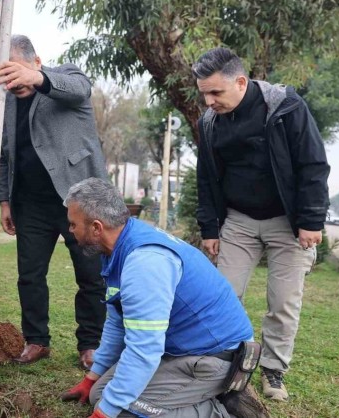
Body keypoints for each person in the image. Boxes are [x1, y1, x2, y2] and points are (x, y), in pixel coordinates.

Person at [192, 47, 330, 401]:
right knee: (221, 295)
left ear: (241, 81)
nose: (208, 101)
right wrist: (210, 229)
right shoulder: (210, 123)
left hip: (288, 221)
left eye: (215, 93)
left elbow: (312, 165)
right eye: (204, 93)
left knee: (283, 302)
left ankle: (273, 370)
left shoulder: (285, 107)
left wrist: (311, 220)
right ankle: (223, 362)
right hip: (238, 220)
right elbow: (206, 179)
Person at [60, 178, 257, 418]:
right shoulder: (118, 247)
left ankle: (223, 411)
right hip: (183, 351)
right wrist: (92, 378)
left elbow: (144, 350)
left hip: (215, 358)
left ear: (96, 227)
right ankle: (200, 396)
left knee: (121, 412)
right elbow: (117, 322)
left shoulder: (145, 262)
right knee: (100, 394)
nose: (70, 230)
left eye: (73, 224)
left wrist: (103, 414)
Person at [0, 35, 107, 369]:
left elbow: (81, 89)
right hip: (30, 204)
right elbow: (5, 154)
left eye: (17, 71)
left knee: (91, 276)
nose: (13, 81)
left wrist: (38, 79)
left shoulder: (64, 77)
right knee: (29, 275)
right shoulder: (6, 102)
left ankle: (91, 344)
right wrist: (5, 201)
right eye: (5, 73)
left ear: (36, 61)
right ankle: (36, 341)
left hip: (80, 201)